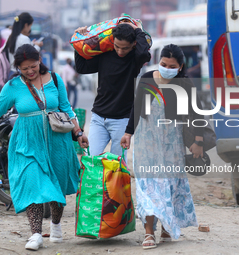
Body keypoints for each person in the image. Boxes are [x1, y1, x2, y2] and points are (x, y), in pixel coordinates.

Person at [0, 44, 89, 251]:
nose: (30, 71)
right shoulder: (14, 86)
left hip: (56, 141)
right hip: (26, 141)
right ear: (18, 68)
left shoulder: (55, 79)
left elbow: (66, 107)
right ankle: (35, 233)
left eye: (33, 66)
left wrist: (78, 132)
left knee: (56, 185)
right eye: (24, 69)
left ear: (40, 60)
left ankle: (56, 225)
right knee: (32, 183)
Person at [120, 44, 204, 249]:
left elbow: (196, 114)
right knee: (148, 186)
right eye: (163, 64)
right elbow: (137, 106)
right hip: (146, 142)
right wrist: (128, 132)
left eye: (171, 65)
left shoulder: (184, 84)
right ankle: (149, 233)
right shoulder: (147, 78)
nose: (166, 68)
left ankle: (167, 226)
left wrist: (198, 141)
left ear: (180, 66)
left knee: (170, 186)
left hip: (171, 143)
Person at [74, 23, 151, 156]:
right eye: (117, 46)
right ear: (112, 41)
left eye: (125, 48)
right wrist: (78, 41)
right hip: (98, 117)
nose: (120, 51)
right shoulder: (105, 55)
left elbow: (144, 52)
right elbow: (82, 68)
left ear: (133, 44)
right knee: (92, 159)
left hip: (122, 120)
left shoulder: (135, 59)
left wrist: (136, 29)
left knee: (118, 165)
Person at [5, 12, 43, 78]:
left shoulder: (11, 37)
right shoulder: (24, 38)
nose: (29, 29)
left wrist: (32, 44)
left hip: (12, 72)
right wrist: (37, 46)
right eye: (30, 26)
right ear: (26, 25)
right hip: (21, 73)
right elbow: (31, 54)